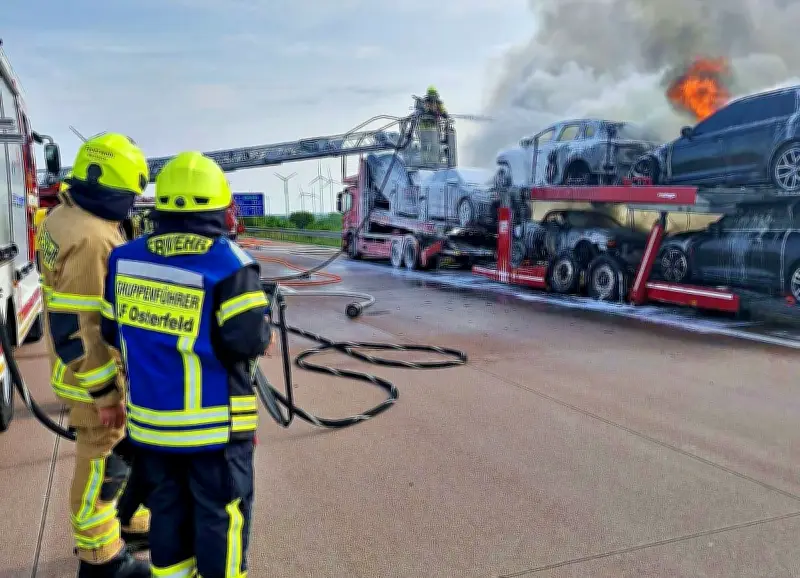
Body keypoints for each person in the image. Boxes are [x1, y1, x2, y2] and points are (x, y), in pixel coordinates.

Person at [100, 151, 271, 578]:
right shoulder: (229, 264)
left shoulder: (124, 259)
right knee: (221, 520)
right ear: (218, 205)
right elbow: (247, 341)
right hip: (214, 431)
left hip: (152, 428)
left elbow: (110, 332)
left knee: (169, 517)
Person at [37, 134, 151, 577]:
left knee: (119, 452)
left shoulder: (63, 216)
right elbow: (83, 327)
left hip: (78, 370)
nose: (132, 204)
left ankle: (120, 519)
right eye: (129, 196)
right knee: (100, 456)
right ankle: (100, 558)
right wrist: (105, 393)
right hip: (91, 376)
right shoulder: (91, 239)